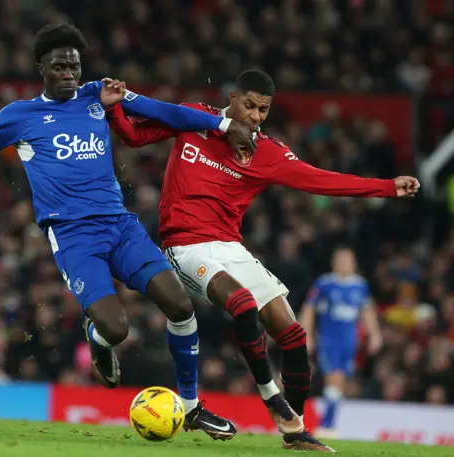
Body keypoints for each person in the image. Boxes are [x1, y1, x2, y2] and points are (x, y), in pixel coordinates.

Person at [0, 23, 257, 440]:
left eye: (74, 66)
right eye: (59, 67)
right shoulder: (19, 116)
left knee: (180, 305)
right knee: (116, 328)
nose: (69, 74)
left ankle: (190, 406)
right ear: (41, 67)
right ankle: (98, 338)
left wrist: (221, 126)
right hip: (74, 238)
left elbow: (163, 111)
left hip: (120, 225)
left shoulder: (99, 95)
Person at [105, 69, 419, 451]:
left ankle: (295, 429)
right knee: (242, 304)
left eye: (263, 110)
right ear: (233, 98)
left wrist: (388, 187)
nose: (255, 116)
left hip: (232, 249)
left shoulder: (267, 151)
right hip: (185, 246)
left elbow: (322, 180)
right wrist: (113, 110)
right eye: (250, 105)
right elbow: (133, 135)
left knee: (292, 334)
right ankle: (272, 396)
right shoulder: (195, 120)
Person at [299, 247, 382, 438]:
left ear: (354, 263)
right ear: (334, 263)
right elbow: (309, 310)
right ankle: (327, 424)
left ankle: (330, 422)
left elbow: (366, 310)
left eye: (347, 260)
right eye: (340, 260)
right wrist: (307, 335)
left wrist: (375, 334)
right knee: (333, 378)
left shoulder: (360, 285)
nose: (344, 263)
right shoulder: (324, 284)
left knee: (340, 383)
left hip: (349, 342)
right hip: (329, 340)